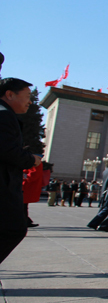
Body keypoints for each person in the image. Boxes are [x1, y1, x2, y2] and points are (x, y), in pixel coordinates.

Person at [0, 78, 42, 265]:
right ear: (10, 94)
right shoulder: (4, 115)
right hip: (3, 186)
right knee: (13, 229)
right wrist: (31, 159)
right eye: (27, 97)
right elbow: (7, 151)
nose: (30, 102)